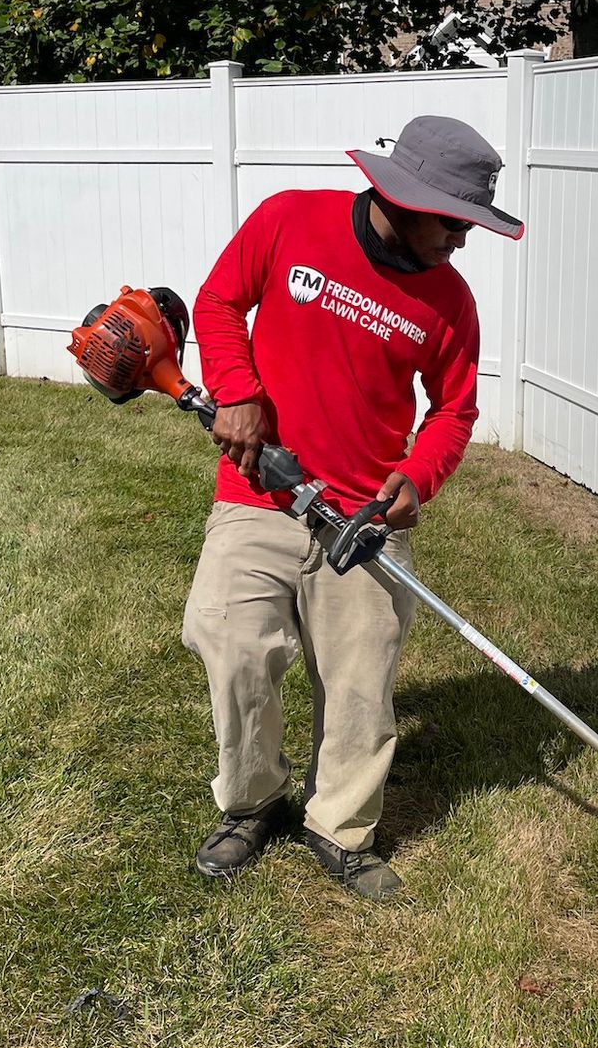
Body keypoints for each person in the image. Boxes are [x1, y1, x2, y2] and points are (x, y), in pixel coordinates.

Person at [183, 115, 524, 900]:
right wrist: (236, 392)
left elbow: (453, 412)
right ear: (398, 197)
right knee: (230, 645)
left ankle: (340, 825)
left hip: (363, 519)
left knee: (361, 682)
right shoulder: (289, 219)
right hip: (259, 496)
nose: (462, 242)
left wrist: (419, 475)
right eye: (453, 223)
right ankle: (255, 801)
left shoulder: (450, 303)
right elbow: (219, 301)